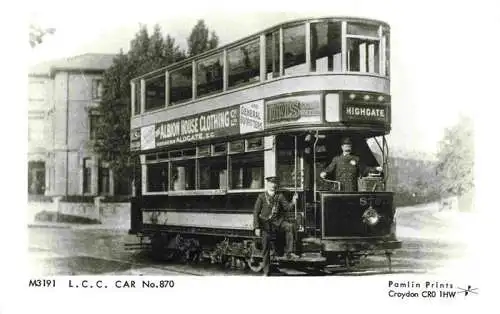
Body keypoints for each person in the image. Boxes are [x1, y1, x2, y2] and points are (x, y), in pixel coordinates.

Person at [253, 176, 299, 275]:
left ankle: (289, 252)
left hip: (278, 223)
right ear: (267, 184)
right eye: (271, 183)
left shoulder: (280, 196)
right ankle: (266, 271)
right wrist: (256, 227)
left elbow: (287, 208)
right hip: (266, 225)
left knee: (289, 226)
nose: (273, 185)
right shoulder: (261, 197)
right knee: (265, 249)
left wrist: (294, 201)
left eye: (274, 183)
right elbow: (256, 212)